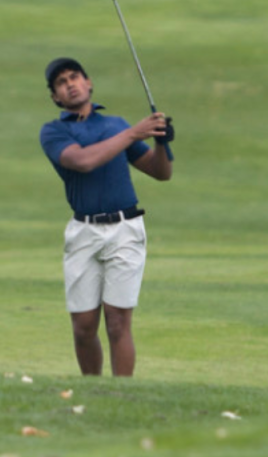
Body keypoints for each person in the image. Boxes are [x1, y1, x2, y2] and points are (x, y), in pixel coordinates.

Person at [39, 57, 174, 377]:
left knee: (117, 322)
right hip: (83, 231)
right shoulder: (54, 132)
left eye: (75, 77)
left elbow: (160, 172)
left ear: (89, 83)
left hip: (125, 228)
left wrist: (160, 141)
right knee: (84, 328)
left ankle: (120, 395)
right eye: (61, 83)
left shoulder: (116, 124)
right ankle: (93, 390)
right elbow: (83, 161)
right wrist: (134, 133)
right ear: (56, 97)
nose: (70, 84)